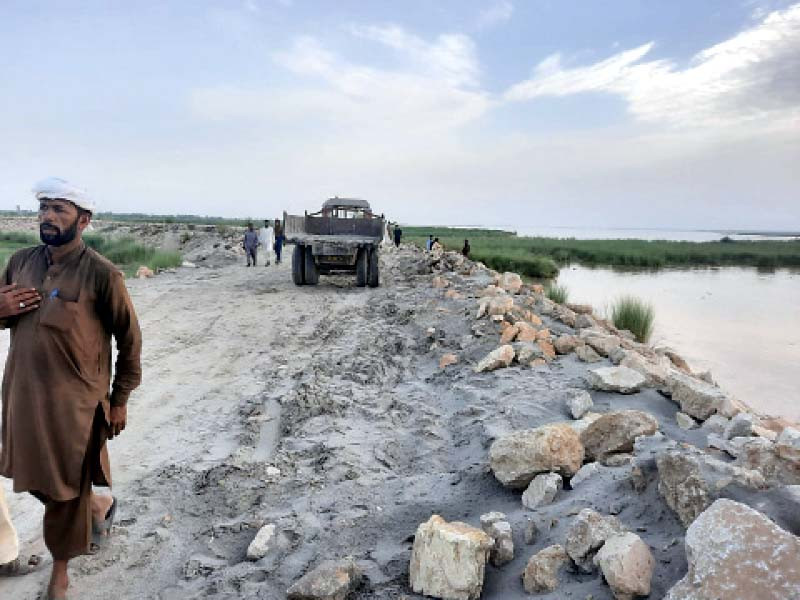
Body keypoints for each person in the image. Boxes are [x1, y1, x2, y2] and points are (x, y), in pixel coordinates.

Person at [0, 177, 142, 600]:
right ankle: (97, 507)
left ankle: (59, 574)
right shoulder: (21, 262)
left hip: (75, 404)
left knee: (64, 488)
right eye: (43, 207)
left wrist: (119, 400)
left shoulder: (103, 274)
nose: (47, 216)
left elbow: (130, 341)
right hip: (22, 394)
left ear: (83, 220)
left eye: (59, 209)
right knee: (34, 479)